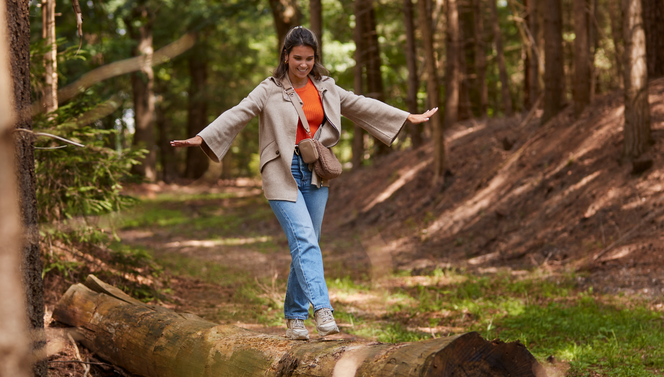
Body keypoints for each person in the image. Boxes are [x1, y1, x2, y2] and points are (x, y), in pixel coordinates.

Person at [171, 26, 437, 340]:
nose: (303, 64)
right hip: (281, 170)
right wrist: (203, 136)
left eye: (309, 59)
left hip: (315, 171)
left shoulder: (326, 87)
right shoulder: (268, 89)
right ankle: (323, 311)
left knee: (307, 243)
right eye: (297, 58)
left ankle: (295, 318)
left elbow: (361, 104)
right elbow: (238, 112)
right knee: (305, 241)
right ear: (285, 56)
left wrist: (406, 116)